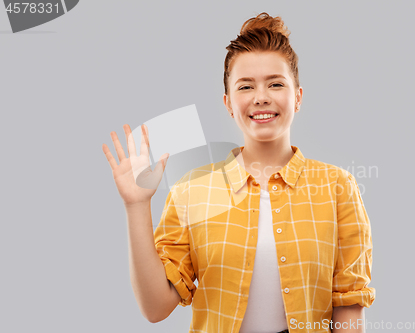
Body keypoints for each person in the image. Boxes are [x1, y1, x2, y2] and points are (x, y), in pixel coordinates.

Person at [102, 12, 375, 333]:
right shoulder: (192, 190)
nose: (261, 97)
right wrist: (136, 205)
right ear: (228, 103)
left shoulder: (337, 187)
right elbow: (155, 307)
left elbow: (348, 308)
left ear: (297, 97)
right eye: (246, 86)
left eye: (276, 83)